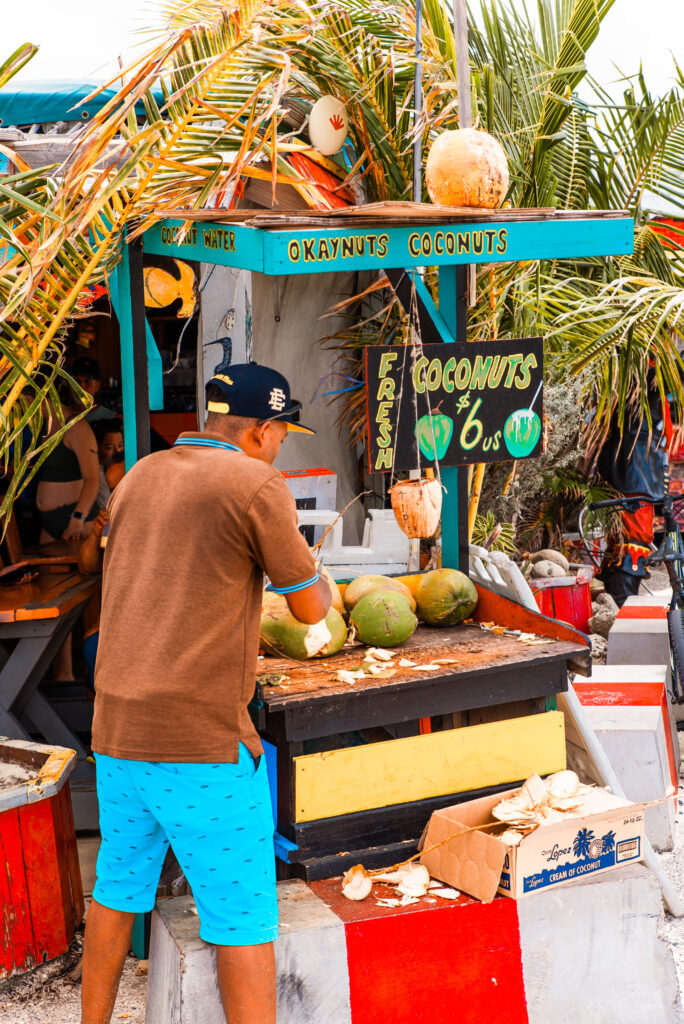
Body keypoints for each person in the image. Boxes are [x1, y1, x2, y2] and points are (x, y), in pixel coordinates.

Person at [82, 363, 331, 1024]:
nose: (282, 446)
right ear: (262, 429)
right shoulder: (255, 484)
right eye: (282, 433)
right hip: (200, 744)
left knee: (117, 888)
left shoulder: (141, 474)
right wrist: (322, 582)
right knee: (242, 916)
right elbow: (309, 609)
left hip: (118, 732)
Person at [36, 388, 100, 543]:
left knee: (82, 567)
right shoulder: (43, 424)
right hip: (48, 522)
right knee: (43, 568)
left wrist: (77, 518)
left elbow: (92, 479)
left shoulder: (76, 426)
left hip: (74, 516)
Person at [72, 356, 118, 424]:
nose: (80, 387)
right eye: (76, 381)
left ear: (97, 385)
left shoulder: (109, 418)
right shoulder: (60, 413)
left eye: (87, 382)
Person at [93, 419, 124, 510]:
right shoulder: (96, 473)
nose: (117, 451)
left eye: (120, 445)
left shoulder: (124, 466)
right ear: (97, 446)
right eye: (109, 447)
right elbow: (105, 504)